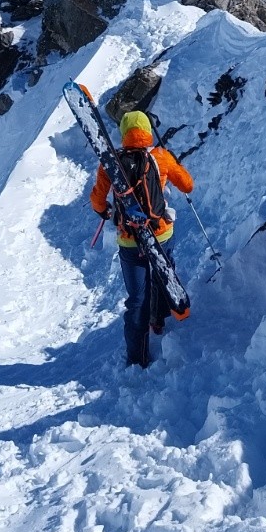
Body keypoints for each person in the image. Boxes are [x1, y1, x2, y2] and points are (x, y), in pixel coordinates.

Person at [90, 110, 194, 367]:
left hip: (129, 239)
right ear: (148, 131)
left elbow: (97, 200)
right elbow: (188, 185)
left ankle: (137, 357)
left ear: (124, 134)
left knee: (137, 298)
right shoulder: (160, 157)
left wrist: (106, 212)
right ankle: (158, 320)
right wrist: (172, 164)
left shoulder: (110, 163)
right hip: (161, 233)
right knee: (162, 276)